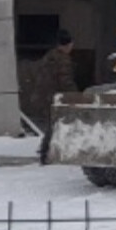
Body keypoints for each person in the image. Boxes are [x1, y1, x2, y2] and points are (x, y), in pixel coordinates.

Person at [29, 30, 80, 159]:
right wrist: (76, 96)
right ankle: (46, 152)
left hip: (41, 95)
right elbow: (65, 81)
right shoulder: (63, 60)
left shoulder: (49, 56)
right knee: (57, 124)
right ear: (67, 45)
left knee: (52, 123)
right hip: (53, 97)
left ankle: (47, 150)